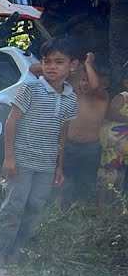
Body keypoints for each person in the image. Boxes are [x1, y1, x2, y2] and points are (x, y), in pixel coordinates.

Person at [0, 37, 78, 265]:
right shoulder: (31, 88)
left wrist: (59, 166)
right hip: (22, 161)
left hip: (46, 165)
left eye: (59, 62)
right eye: (47, 62)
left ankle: (16, 255)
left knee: (34, 208)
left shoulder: (71, 98)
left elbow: (62, 133)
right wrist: (9, 157)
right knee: (13, 208)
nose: (52, 67)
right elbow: (11, 122)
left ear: (72, 66)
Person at [31, 52, 107, 204]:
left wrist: (88, 64)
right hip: (70, 145)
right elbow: (33, 70)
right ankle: (58, 211)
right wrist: (69, 65)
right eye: (83, 80)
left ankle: (80, 212)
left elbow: (95, 86)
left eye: (88, 80)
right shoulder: (73, 91)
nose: (85, 84)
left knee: (84, 185)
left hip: (90, 148)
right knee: (62, 182)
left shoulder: (102, 96)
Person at [100, 76, 128, 193]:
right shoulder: (123, 96)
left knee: (121, 173)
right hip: (113, 142)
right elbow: (110, 113)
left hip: (124, 146)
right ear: (126, 83)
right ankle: (102, 204)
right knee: (109, 170)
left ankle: (117, 203)